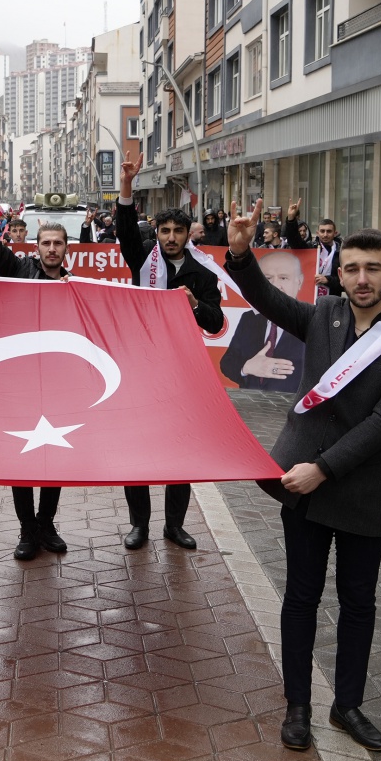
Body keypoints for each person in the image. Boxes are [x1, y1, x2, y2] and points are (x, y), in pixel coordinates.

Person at [223, 203, 381, 755]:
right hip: (303, 487)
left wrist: (325, 468)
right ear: (338, 272)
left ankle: (348, 705)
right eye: (352, 269)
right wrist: (242, 254)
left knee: (358, 603)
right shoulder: (324, 317)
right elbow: (267, 301)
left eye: (374, 269)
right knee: (301, 597)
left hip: (359, 488)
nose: (362, 279)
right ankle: (298, 705)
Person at [115, 159, 225, 549]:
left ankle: (174, 526)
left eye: (179, 231)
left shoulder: (203, 273)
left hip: (181, 371)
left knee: (181, 448)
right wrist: (126, 184)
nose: (172, 237)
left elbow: (215, 323)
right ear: (157, 233)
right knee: (138, 447)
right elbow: (125, 227)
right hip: (140, 366)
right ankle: (139, 525)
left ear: (188, 234)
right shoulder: (143, 257)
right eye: (165, 230)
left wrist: (194, 305)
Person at [0, 186, 75, 561]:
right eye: (45, 243)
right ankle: (27, 530)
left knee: (53, 457)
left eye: (57, 244)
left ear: (66, 250)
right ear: (36, 247)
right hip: (20, 382)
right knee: (22, 456)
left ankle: (46, 523)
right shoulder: (18, 270)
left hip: (60, 385)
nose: (51, 249)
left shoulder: (76, 287)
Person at [219, 250, 308, 389]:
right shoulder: (249, 318)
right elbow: (227, 362)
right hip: (250, 405)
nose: (275, 285)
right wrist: (246, 367)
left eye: (283, 278)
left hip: (291, 407)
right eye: (267, 279)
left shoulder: (313, 320)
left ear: (299, 281)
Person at [313, 218, 341, 296]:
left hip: (332, 299)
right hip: (312, 298)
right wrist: (291, 219)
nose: (325, 235)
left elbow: (346, 281)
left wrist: (328, 280)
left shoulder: (341, 252)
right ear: (317, 233)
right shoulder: (311, 247)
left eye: (329, 231)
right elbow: (295, 242)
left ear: (335, 233)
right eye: (322, 231)